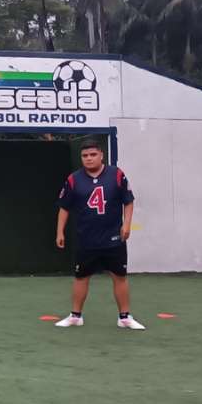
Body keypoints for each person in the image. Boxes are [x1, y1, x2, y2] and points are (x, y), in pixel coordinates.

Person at [54, 139, 143, 330]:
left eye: (93, 154)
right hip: (86, 238)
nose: (89, 158)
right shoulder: (74, 179)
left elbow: (128, 201)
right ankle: (75, 316)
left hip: (113, 238)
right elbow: (64, 207)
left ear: (101, 155)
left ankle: (124, 317)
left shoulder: (116, 174)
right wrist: (59, 231)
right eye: (85, 155)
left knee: (119, 276)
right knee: (81, 277)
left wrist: (127, 224)